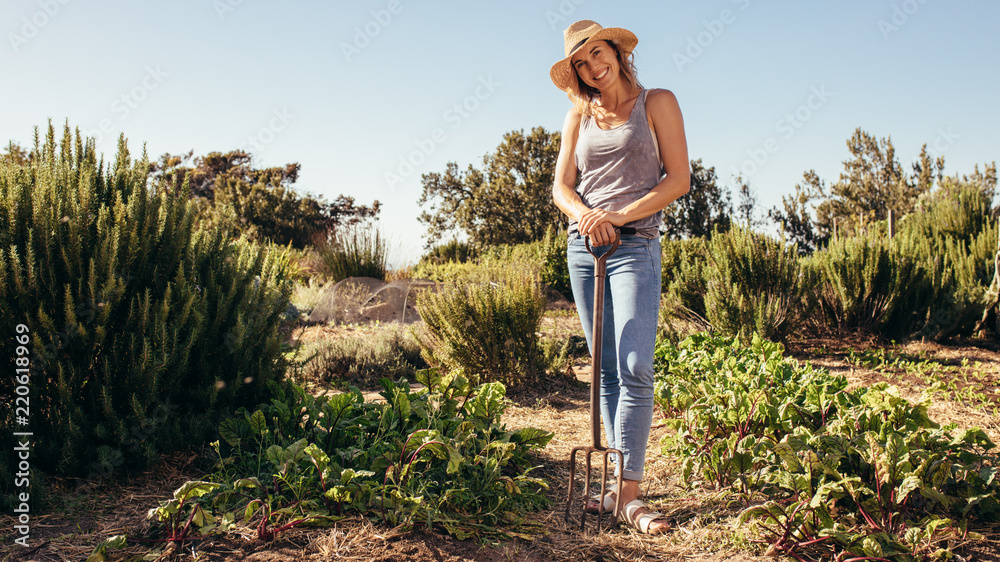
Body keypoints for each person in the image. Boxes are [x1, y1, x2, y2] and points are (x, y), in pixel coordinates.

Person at [549, 20, 690, 535]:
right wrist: (586, 214)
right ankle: (612, 481)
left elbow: (678, 179)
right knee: (604, 369)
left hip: (634, 245)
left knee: (634, 366)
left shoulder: (658, 102)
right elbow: (563, 187)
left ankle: (629, 494)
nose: (592, 67)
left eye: (597, 53)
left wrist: (619, 217)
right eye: (581, 63)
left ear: (616, 51)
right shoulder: (577, 116)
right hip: (584, 247)